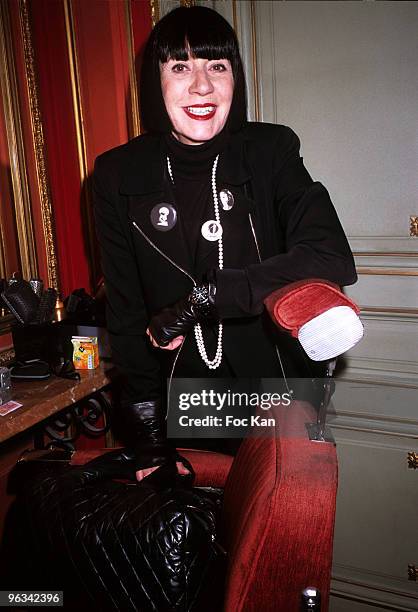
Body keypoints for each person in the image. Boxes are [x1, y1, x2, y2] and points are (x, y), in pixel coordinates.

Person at [93, 6, 357, 482]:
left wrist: (207, 297)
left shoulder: (270, 152)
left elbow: (330, 254)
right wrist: (153, 448)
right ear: (156, 83)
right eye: (180, 67)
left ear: (236, 78)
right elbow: (128, 319)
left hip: (278, 401)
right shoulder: (116, 175)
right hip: (181, 409)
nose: (201, 85)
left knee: (275, 545)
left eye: (217, 66)